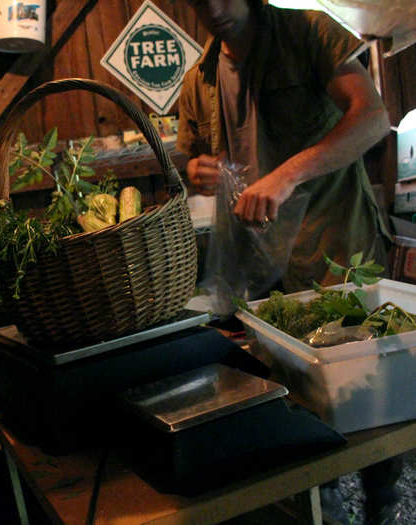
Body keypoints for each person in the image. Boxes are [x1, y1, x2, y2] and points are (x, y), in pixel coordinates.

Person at [176, 1, 402, 524]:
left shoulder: (308, 33)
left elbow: (373, 119)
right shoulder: (199, 79)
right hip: (259, 271)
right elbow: (187, 156)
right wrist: (198, 169)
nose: (214, 7)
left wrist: (288, 174)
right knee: (289, 401)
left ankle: (384, 505)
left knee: (371, 395)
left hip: (335, 254)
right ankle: (323, 508)